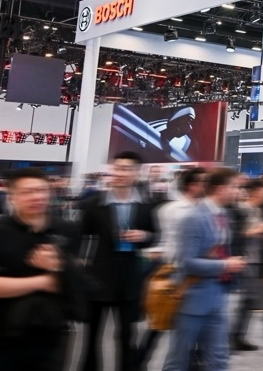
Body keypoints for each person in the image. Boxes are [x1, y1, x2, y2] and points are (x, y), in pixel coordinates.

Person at [79, 150, 157, 371]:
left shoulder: (147, 205)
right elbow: (81, 235)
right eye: (117, 168)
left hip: (130, 279)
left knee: (126, 335)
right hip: (98, 277)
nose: (121, 173)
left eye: (127, 169)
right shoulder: (94, 204)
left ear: (137, 173)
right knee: (91, 335)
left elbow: (156, 236)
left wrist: (144, 236)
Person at [162, 168, 247, 371]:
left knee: (219, 359)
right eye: (234, 187)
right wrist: (225, 265)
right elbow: (187, 262)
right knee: (179, 359)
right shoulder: (193, 218)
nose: (238, 191)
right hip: (192, 299)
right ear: (220, 189)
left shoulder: (224, 215)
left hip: (217, 297)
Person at [0, 168, 82, 371]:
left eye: (41, 190)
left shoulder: (66, 229)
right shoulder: (3, 231)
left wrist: (56, 267)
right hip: (5, 329)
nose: (36, 196)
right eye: (27, 191)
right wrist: (44, 281)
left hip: (52, 330)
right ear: (12, 197)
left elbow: (75, 281)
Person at [138, 167, 206, 368]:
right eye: (204, 182)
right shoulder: (171, 210)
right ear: (192, 185)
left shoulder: (207, 209)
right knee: (160, 321)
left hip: (200, 272)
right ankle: (139, 361)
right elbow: (170, 241)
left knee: (197, 322)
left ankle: (192, 363)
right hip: (175, 270)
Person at [231, 178, 263, 352]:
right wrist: (260, 230)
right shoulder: (241, 210)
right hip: (244, 259)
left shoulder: (259, 211)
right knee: (246, 298)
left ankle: (239, 335)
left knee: (250, 300)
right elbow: (237, 234)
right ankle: (234, 336)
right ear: (255, 192)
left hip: (256, 259)